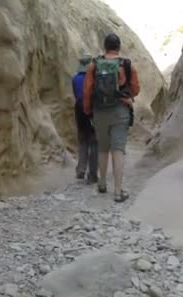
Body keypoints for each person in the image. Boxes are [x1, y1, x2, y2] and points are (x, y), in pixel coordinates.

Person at [83, 33, 140, 203]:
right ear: (119, 47)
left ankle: (102, 184)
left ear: (104, 47)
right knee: (118, 149)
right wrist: (127, 96)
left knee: (103, 148)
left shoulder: (94, 64)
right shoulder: (126, 65)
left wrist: (88, 109)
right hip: (120, 110)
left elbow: (87, 89)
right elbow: (136, 89)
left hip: (99, 111)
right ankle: (117, 191)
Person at [72, 54, 98, 184]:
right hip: (92, 110)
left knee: (82, 139)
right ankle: (92, 173)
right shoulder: (93, 77)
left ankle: (81, 169)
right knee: (94, 141)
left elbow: (75, 94)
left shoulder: (75, 77)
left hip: (79, 109)